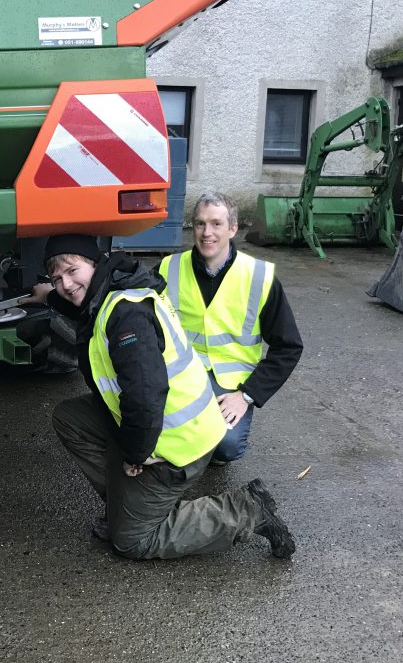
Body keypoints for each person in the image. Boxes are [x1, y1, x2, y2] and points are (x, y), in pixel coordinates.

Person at [40, 234, 295, 560]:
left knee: (131, 541)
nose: (66, 283)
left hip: (180, 443)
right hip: (170, 424)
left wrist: (136, 454)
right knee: (70, 418)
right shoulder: (115, 289)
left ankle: (248, 510)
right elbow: (81, 305)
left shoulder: (126, 317)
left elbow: (146, 396)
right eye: (57, 278)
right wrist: (49, 296)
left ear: (95, 264)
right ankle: (128, 507)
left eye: (72, 271)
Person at [159, 192, 302, 465]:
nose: (206, 233)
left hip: (230, 383)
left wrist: (247, 395)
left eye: (216, 224)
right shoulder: (168, 268)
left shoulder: (259, 276)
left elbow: (289, 346)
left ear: (233, 228)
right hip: (180, 374)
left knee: (225, 447)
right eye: (200, 224)